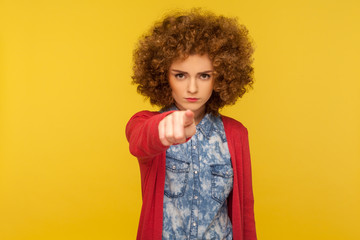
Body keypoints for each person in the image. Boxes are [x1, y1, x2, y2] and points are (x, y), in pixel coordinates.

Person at [126, 8, 257, 240]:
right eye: (180, 75)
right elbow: (139, 140)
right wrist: (162, 129)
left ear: (221, 76)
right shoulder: (146, 124)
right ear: (163, 76)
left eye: (204, 75)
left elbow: (244, 213)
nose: (193, 88)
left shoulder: (236, 134)